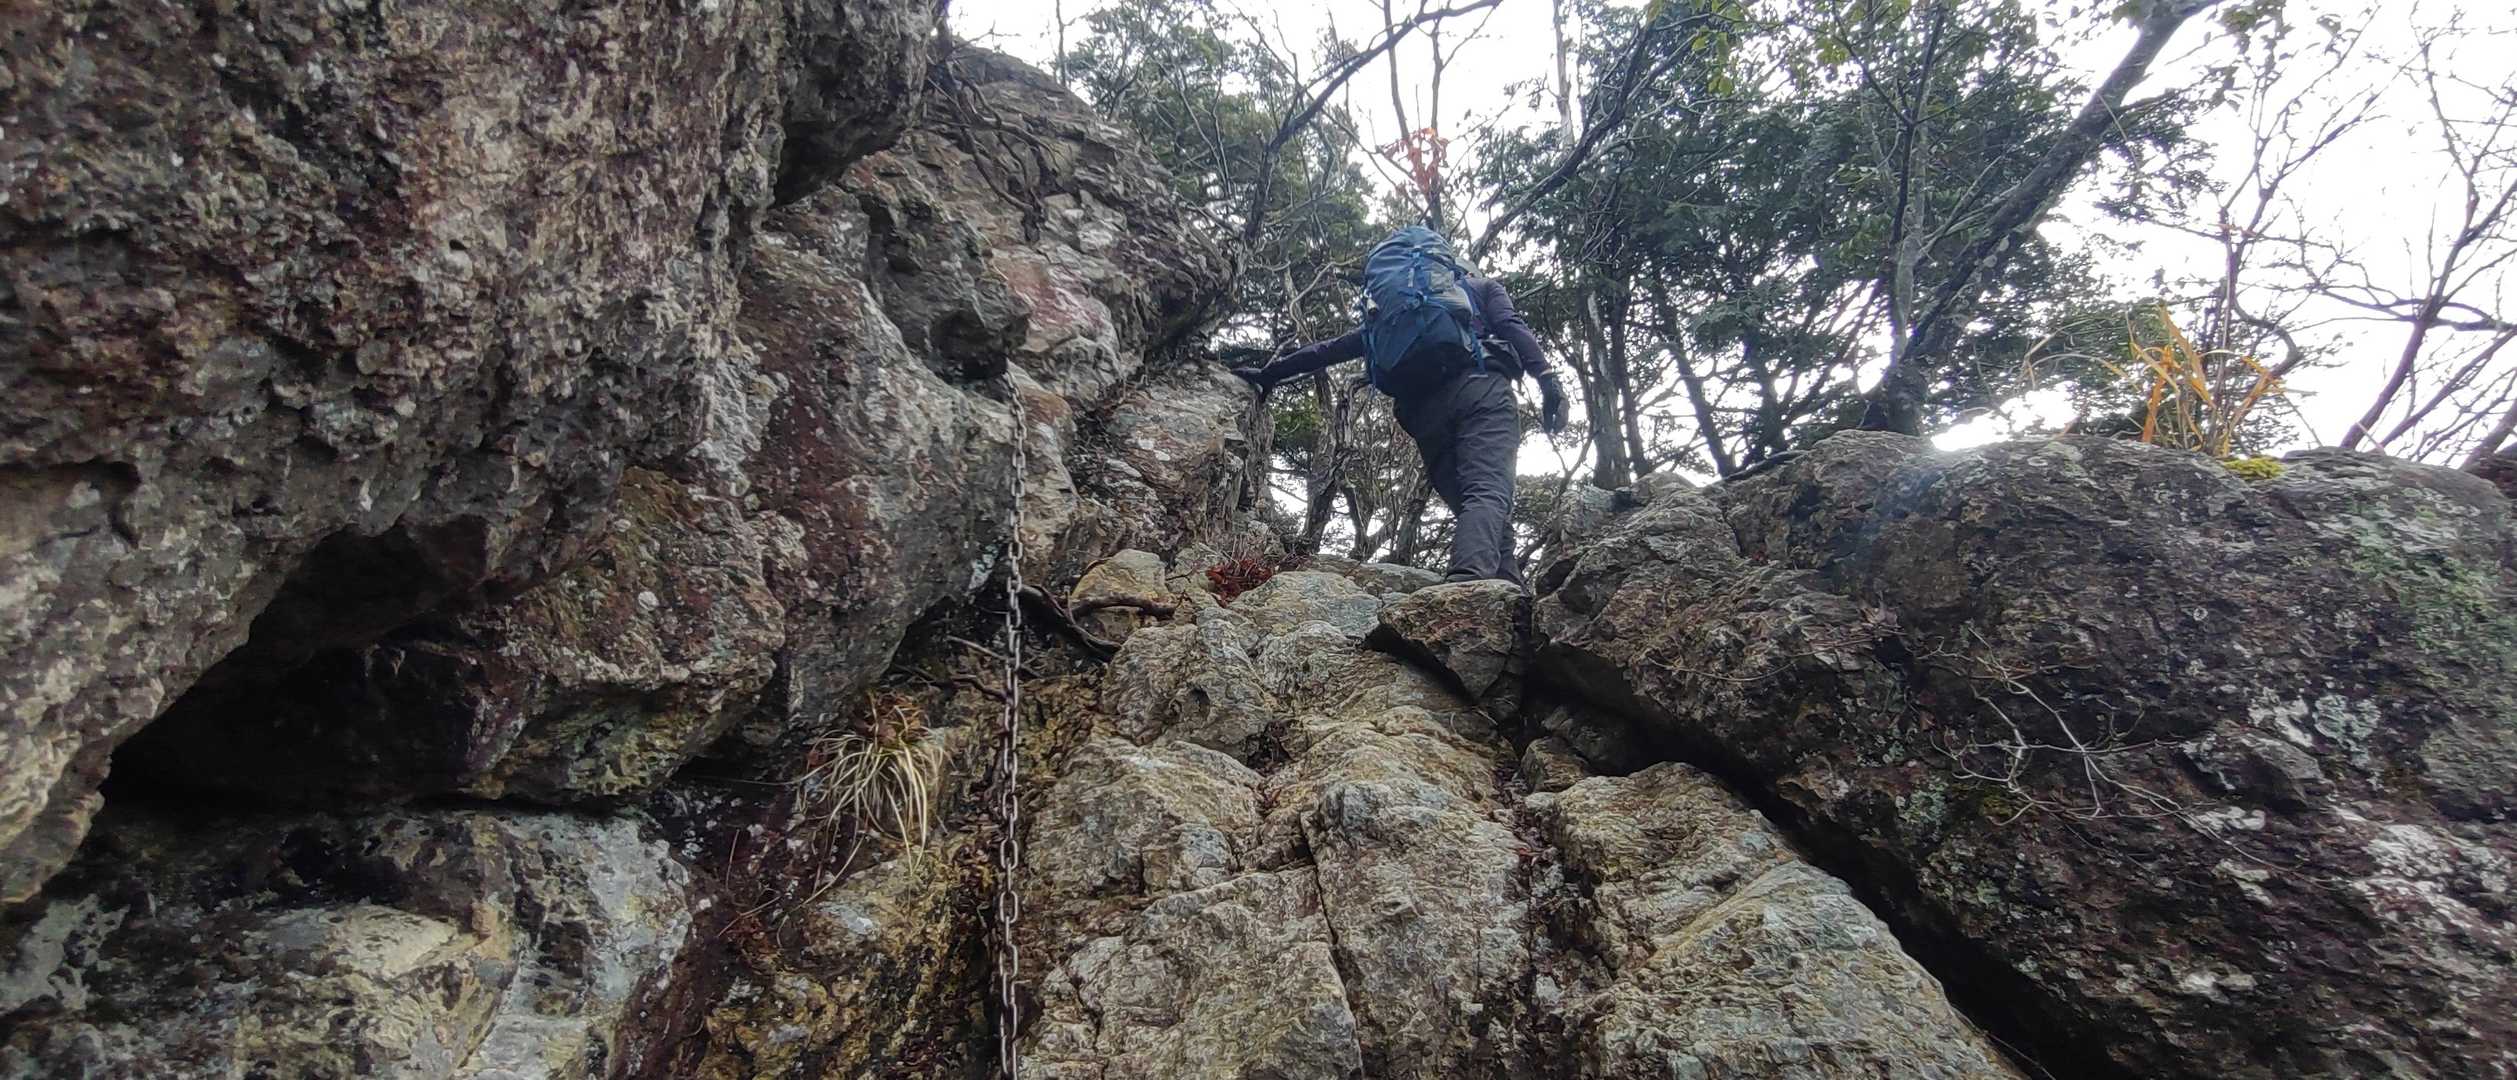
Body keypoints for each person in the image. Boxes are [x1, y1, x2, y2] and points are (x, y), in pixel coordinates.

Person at [1231, 244, 1569, 586]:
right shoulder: (1482, 288)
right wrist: (1547, 379)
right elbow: (1510, 324)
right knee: (1487, 492)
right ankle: (1467, 584)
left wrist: (1270, 373)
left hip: (1422, 414)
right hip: (1481, 390)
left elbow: (1329, 350)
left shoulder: (1394, 317)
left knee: (1479, 506)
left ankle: (1510, 593)